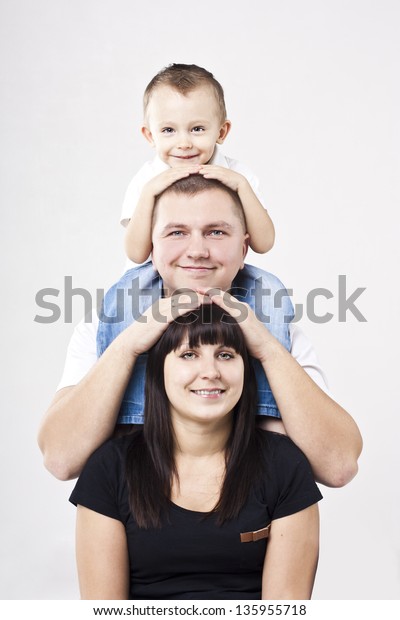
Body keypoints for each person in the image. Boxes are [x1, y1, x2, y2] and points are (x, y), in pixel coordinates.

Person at [37, 175, 363, 488]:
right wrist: (127, 347)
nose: (197, 251)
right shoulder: (105, 325)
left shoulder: (276, 326)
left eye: (216, 233)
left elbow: (339, 466)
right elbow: (61, 460)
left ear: (244, 248)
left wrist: (265, 347)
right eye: (177, 232)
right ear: (151, 245)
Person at [70, 303, 322, 600]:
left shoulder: (285, 465)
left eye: (225, 355)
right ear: (158, 370)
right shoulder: (109, 468)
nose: (210, 372)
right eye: (189, 354)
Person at [122, 63, 275, 268]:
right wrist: (149, 193)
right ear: (150, 136)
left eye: (197, 129)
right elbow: (136, 254)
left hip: (215, 272)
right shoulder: (146, 180)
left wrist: (242, 187)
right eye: (168, 130)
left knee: (268, 287)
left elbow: (264, 244)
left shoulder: (237, 175)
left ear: (221, 132)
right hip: (156, 276)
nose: (184, 143)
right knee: (124, 294)